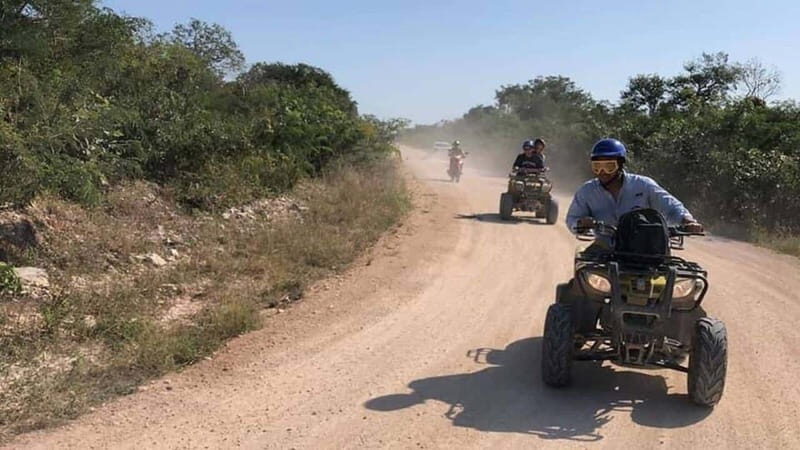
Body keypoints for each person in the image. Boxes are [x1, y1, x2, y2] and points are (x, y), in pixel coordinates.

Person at [566, 138, 703, 235]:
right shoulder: (586, 191)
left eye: (609, 166)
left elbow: (672, 207)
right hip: (605, 250)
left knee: (672, 276)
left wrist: (688, 221)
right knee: (582, 270)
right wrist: (580, 224)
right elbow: (572, 218)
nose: (603, 173)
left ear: (620, 165)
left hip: (648, 249)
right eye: (597, 167)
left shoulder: (644, 185)